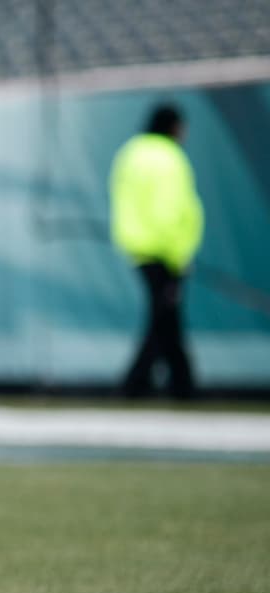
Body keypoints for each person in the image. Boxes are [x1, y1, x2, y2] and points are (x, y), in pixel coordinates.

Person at [109, 103, 204, 399]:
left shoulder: (131, 153)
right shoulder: (168, 158)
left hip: (138, 248)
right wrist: (178, 255)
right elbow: (170, 209)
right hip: (165, 251)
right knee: (164, 317)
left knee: (165, 317)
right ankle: (147, 384)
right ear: (174, 127)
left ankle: (169, 384)